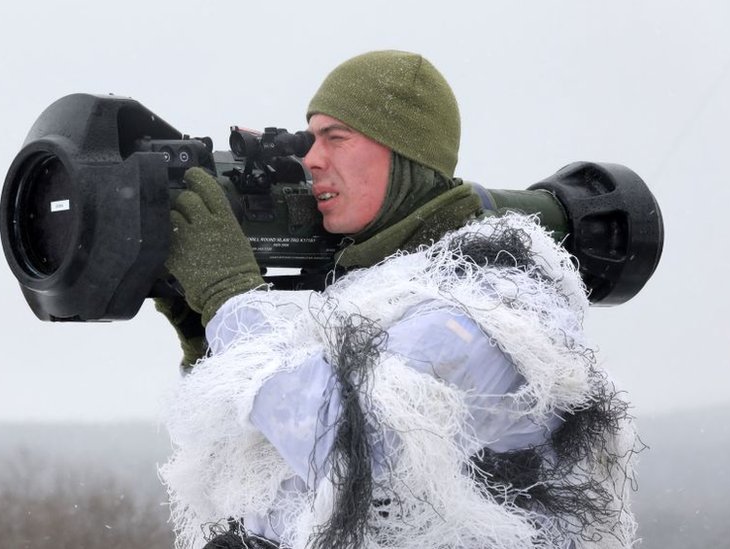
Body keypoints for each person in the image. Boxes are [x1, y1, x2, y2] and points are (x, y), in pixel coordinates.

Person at [156, 51, 640, 549]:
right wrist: (209, 340)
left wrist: (231, 299)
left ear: (406, 156)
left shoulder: (487, 303)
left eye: (336, 138)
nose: (311, 160)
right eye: (311, 138)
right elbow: (271, 476)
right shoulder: (370, 291)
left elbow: (357, 452)